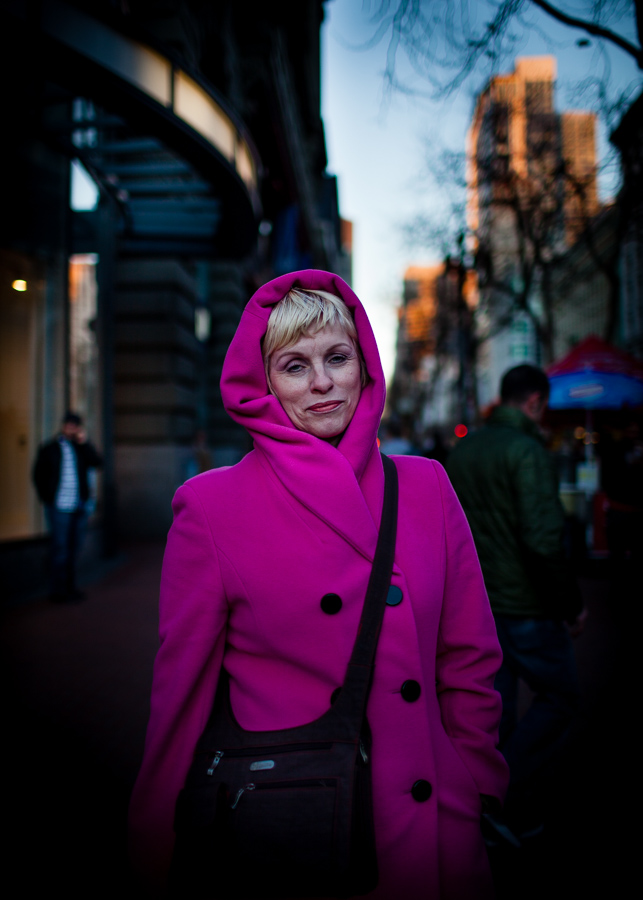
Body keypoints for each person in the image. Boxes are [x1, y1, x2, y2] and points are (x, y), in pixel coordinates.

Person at [128, 270, 508, 898]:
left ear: (365, 365)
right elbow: (181, 698)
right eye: (294, 365)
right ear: (263, 385)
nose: (323, 382)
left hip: (435, 825)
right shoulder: (211, 508)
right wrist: (152, 846)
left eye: (337, 357)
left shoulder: (426, 487)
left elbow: (467, 659)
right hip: (294, 828)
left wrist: (478, 781)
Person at [446, 365, 585, 835]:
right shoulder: (527, 451)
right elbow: (544, 540)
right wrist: (571, 605)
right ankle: (510, 791)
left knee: (493, 712)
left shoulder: (463, 450)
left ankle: (488, 807)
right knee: (562, 697)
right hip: (527, 605)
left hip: (476, 604)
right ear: (534, 402)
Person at [33, 411, 102, 602]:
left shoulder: (80, 449)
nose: (72, 428)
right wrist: (47, 498)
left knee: (74, 548)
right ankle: (57, 590)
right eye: (69, 425)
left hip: (78, 506)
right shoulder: (50, 448)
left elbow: (97, 462)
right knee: (60, 548)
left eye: (75, 425)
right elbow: (38, 474)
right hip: (59, 506)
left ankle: (70, 588)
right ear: (63, 426)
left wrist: (84, 442)